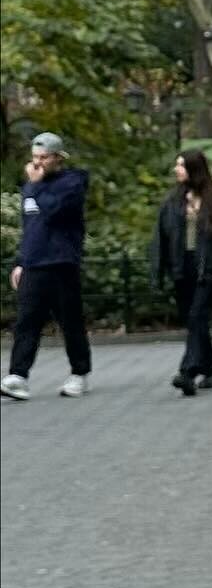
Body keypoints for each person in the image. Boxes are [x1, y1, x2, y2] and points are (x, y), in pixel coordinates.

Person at [3, 131, 92, 401]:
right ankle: (18, 375)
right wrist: (21, 262)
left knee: (70, 322)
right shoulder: (32, 186)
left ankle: (79, 372)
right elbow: (31, 227)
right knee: (26, 321)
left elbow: (52, 211)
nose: (38, 163)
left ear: (58, 158)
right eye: (35, 157)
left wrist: (35, 185)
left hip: (62, 263)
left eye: (44, 158)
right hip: (34, 264)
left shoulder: (72, 183)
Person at [151, 149, 212, 395]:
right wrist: (158, 272)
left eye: (181, 165)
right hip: (181, 269)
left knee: (197, 316)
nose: (176, 170)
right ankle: (210, 371)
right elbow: (160, 238)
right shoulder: (172, 201)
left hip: (206, 270)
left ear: (194, 169)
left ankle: (187, 372)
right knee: (195, 321)